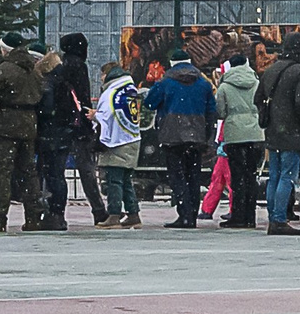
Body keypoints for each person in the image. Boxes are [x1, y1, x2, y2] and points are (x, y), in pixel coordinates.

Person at [35, 31, 106, 230]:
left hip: (62, 126)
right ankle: (99, 211)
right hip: (78, 125)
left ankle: (56, 213)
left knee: (55, 172)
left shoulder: (60, 70)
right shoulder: (78, 67)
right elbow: (81, 97)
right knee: (86, 170)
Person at [0, 34, 46, 234]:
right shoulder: (34, 72)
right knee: (29, 173)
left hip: (4, 126)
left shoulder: (2, 71)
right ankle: (33, 216)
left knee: (1, 173)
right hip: (28, 126)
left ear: (4, 49)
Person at [144, 50, 217, 228]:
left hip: (172, 135)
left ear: (171, 63)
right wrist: (206, 135)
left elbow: (149, 103)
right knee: (193, 176)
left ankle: (184, 214)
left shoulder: (165, 82)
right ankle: (192, 214)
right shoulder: (203, 83)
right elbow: (211, 111)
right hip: (196, 136)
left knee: (177, 176)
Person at [257, 33, 300, 236]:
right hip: (292, 132)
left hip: (273, 131)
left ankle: (272, 217)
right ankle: (279, 219)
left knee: (274, 175)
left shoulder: (270, 70)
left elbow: (258, 98)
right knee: (288, 176)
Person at [214, 53, 264, 227]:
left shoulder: (225, 86)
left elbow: (220, 111)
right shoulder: (257, 83)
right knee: (251, 175)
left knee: (237, 177)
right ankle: (251, 217)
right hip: (256, 133)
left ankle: (238, 216)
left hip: (234, 134)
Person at [94, 59, 147, 226]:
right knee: (125, 180)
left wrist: (94, 115)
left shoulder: (111, 92)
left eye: (103, 74)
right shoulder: (129, 89)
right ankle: (133, 214)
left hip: (117, 142)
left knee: (114, 181)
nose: (101, 78)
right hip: (132, 139)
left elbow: (107, 115)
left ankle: (114, 214)